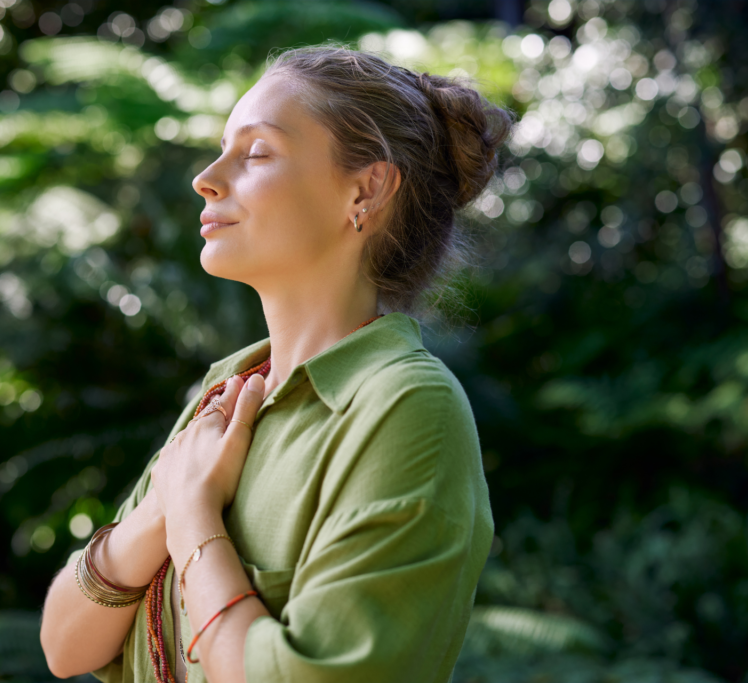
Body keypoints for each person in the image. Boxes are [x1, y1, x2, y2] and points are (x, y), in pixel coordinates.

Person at [39, 43, 511, 683]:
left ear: (366, 189)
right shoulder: (224, 395)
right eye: (222, 148)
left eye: (257, 152)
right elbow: (66, 646)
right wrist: (162, 510)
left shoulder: (405, 405)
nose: (207, 177)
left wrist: (194, 523)